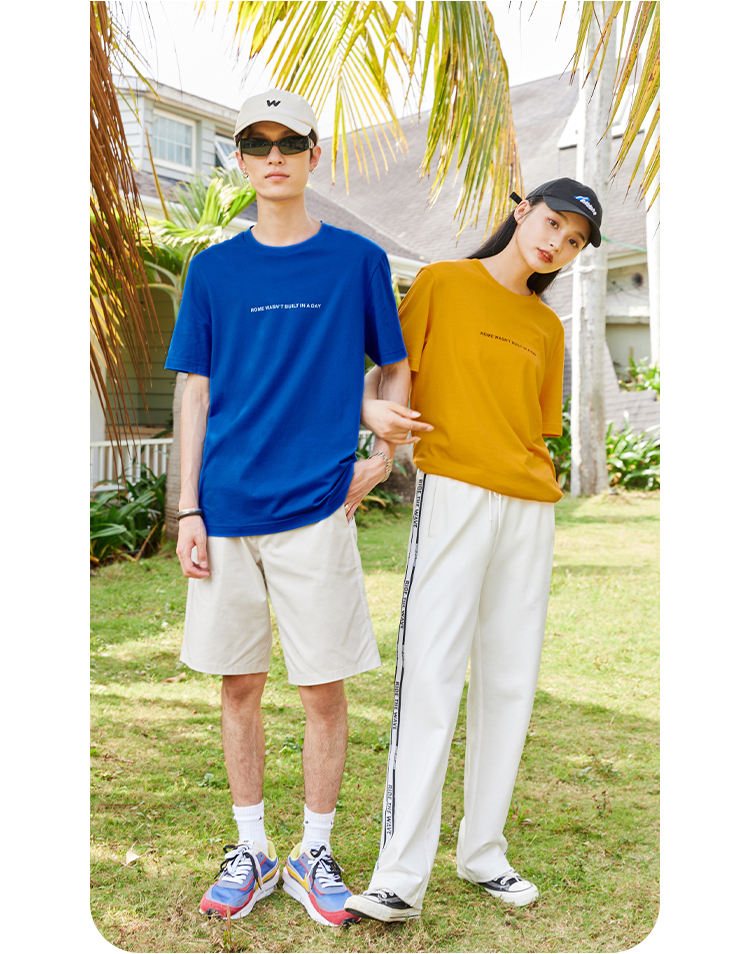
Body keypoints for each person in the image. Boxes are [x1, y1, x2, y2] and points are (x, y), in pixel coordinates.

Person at [164, 88, 426, 927]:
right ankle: (252, 849)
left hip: (316, 508)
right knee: (239, 684)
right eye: (257, 143)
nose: (273, 156)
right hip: (226, 510)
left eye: (289, 142)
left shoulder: (356, 261)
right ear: (239, 159)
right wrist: (188, 510)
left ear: (315, 155)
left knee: (322, 688)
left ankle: (314, 852)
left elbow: (393, 364)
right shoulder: (213, 270)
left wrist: (381, 460)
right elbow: (196, 391)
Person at [345, 178, 604, 921]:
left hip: (530, 506)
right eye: (552, 223)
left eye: (573, 241)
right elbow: (394, 377)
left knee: (510, 679)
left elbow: (532, 427)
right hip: (453, 493)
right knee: (430, 672)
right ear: (523, 212)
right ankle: (399, 877)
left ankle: (483, 852)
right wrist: (377, 456)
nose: (556, 243)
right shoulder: (442, 283)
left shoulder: (547, 327)